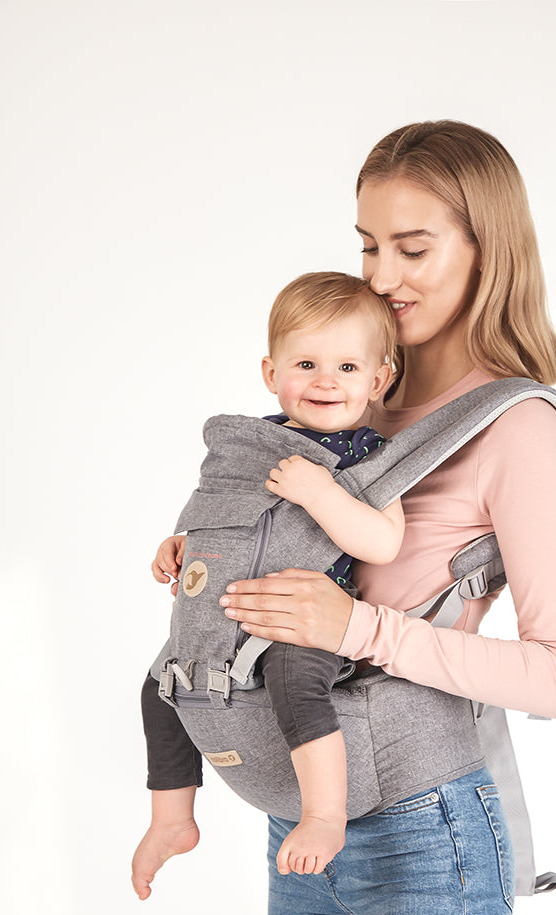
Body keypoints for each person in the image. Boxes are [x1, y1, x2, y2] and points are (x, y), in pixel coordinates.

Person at [132, 121, 556, 915]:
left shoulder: (511, 427)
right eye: (367, 245)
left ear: (487, 249)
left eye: (412, 249)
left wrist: (357, 629)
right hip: (305, 819)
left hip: (429, 837)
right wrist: (199, 554)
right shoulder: (344, 395)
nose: (382, 277)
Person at [136, 270, 404, 880]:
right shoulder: (250, 447)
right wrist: (182, 544)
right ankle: (172, 818)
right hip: (220, 619)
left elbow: (383, 542)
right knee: (158, 687)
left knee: (295, 683)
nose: (325, 381)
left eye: (347, 367)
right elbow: (228, 518)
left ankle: (324, 814)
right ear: (271, 372)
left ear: (378, 380)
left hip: (302, 619)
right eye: (306, 364)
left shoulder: (370, 456)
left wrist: (321, 494)